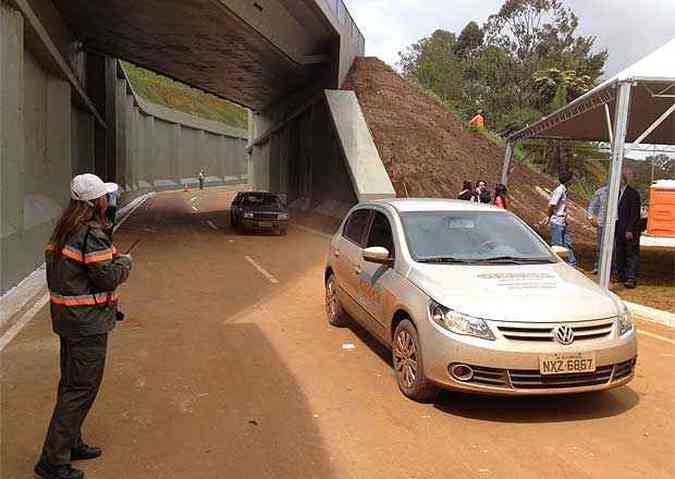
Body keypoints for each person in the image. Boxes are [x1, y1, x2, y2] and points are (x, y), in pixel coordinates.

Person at [35, 173, 133, 479]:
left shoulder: (65, 230)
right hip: (86, 325)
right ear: (95, 202)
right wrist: (125, 263)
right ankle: (53, 461)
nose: (109, 201)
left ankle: (70, 443)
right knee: (80, 388)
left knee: (71, 384)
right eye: (105, 197)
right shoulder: (91, 235)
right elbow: (107, 276)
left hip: (69, 321)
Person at [615, 167, 642, 289]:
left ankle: (631, 278)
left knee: (631, 254)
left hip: (630, 231)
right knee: (620, 252)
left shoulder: (633, 194)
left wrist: (629, 229)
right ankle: (621, 275)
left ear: (622, 181)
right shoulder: (616, 194)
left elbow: (634, 214)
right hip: (619, 229)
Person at [545, 171, 577, 267]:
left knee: (567, 243)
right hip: (557, 221)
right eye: (572, 179)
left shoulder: (564, 191)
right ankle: (558, 265)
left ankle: (572, 264)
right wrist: (548, 216)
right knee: (557, 245)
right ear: (568, 180)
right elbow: (551, 205)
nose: (573, 181)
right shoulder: (559, 191)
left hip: (563, 221)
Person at [587, 184, 609, 274]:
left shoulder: (620, 192)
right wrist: (590, 218)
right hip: (602, 223)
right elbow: (592, 205)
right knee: (600, 246)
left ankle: (612, 269)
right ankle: (598, 267)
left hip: (616, 224)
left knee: (615, 247)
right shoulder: (600, 192)